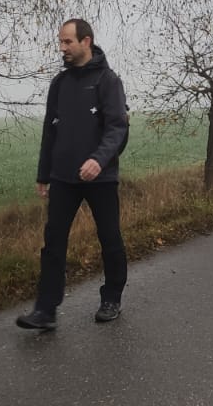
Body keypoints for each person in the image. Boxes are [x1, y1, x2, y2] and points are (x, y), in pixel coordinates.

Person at [18, 18, 130, 330]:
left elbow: (117, 128)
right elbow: (50, 130)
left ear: (86, 42)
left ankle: (112, 298)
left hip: (100, 178)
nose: (62, 47)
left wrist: (98, 160)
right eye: (61, 41)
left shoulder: (108, 81)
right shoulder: (60, 84)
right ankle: (46, 310)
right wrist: (44, 174)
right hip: (63, 178)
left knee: (109, 238)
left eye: (68, 41)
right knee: (53, 242)